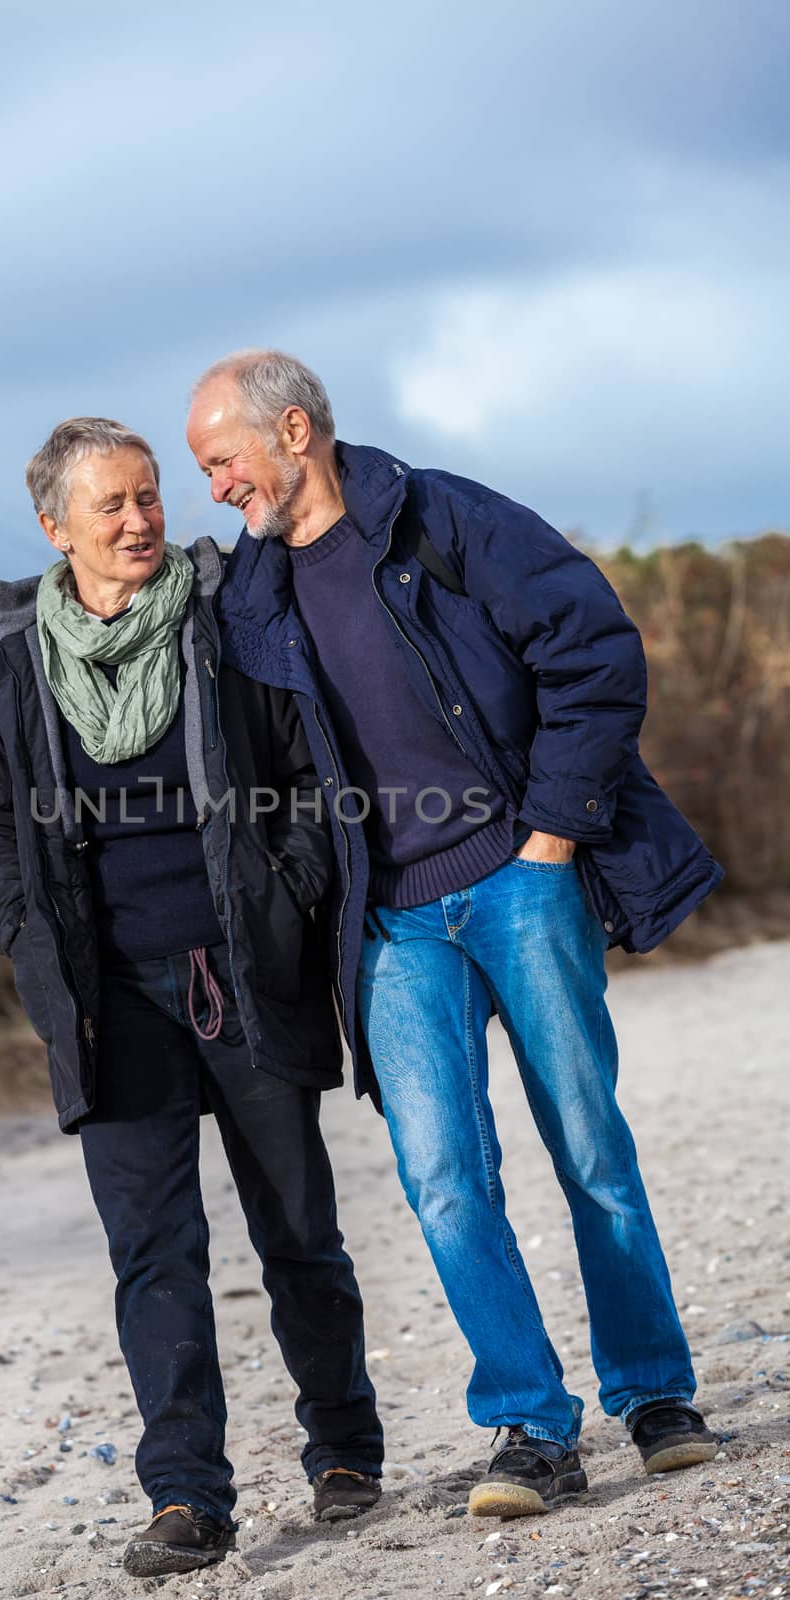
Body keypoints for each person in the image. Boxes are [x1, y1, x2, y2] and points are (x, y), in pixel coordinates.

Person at [186, 350, 722, 1519]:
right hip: (384, 926)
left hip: (520, 879)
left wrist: (552, 831)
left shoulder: (438, 515)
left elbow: (593, 646)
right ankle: (529, 1428)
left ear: (290, 432)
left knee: (587, 1146)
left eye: (220, 460)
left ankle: (654, 1397)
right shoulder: (248, 597)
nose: (215, 488)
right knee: (441, 1179)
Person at [0, 417, 383, 1575]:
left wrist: (287, 892)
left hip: (241, 974)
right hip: (106, 1000)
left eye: (148, 497)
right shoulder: (4, 668)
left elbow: (298, 771)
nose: (141, 520)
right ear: (54, 528)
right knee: (155, 1253)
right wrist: (23, 928)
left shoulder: (223, 622)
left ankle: (343, 1449)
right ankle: (186, 1495)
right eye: (112, 507)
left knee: (299, 1232)